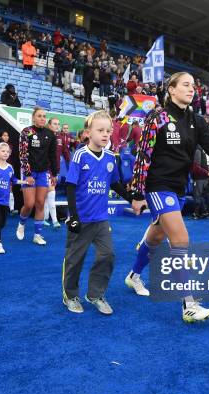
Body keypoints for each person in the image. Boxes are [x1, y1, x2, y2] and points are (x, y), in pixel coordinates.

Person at [125, 72, 209, 323]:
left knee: (156, 235)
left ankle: (133, 275)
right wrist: (137, 193)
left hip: (179, 187)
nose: (191, 89)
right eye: (185, 85)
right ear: (171, 89)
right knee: (180, 239)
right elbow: (143, 156)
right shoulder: (157, 117)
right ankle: (189, 304)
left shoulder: (196, 120)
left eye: (193, 86)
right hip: (157, 187)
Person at [62, 111, 134, 315]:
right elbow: (69, 187)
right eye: (100, 130)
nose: (105, 135)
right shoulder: (80, 155)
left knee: (108, 255)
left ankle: (95, 294)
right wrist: (73, 216)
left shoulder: (111, 157)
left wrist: (132, 198)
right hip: (81, 218)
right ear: (88, 132)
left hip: (101, 219)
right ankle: (71, 295)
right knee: (75, 259)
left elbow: (115, 184)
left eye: (108, 131)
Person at [17, 107, 58, 245]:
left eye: (44, 116)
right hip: (29, 172)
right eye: (39, 116)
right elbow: (23, 154)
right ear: (33, 117)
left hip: (43, 172)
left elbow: (53, 155)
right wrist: (27, 174)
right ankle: (21, 223)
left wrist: (54, 173)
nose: (42, 118)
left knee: (40, 203)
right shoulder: (26, 132)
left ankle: (37, 235)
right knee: (29, 204)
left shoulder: (50, 134)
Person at [0, 142, 30, 254]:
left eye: (7, 152)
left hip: (5, 199)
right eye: (3, 151)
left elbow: (14, 180)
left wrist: (25, 181)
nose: (5, 153)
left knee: (3, 223)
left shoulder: (10, 168)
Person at [44, 118, 65, 228]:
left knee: (49, 195)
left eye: (58, 124)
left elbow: (65, 152)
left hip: (55, 169)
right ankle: (55, 220)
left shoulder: (60, 138)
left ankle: (45, 218)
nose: (57, 126)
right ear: (49, 125)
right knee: (50, 194)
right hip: (45, 169)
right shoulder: (45, 136)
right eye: (55, 124)